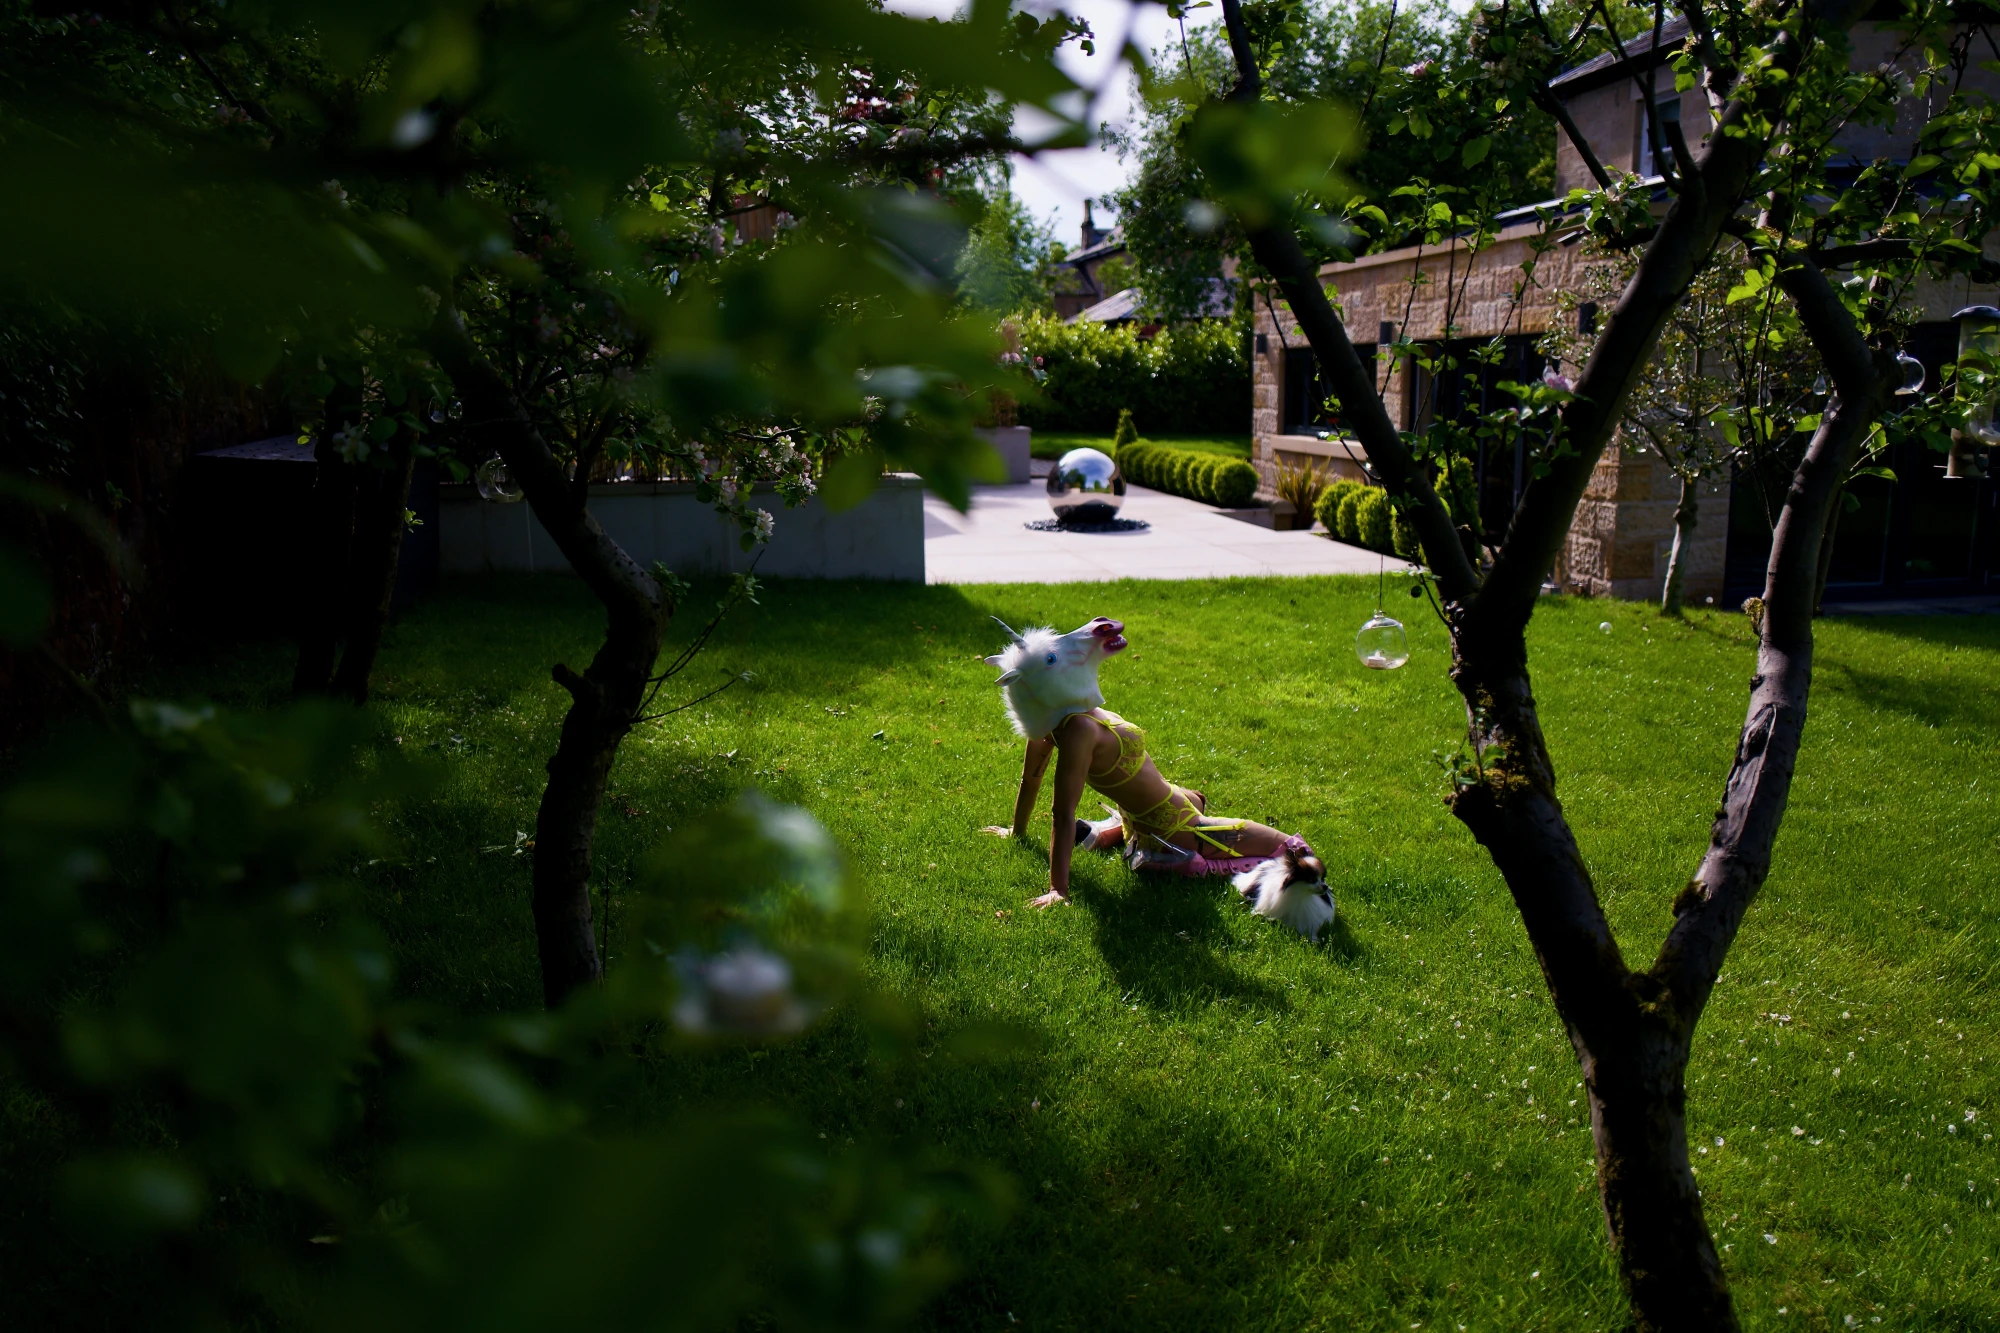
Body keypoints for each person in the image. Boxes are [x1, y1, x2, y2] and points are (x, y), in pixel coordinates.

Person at [979, 615, 1317, 910]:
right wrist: (1058, 889)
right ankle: (1194, 863)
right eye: (1051, 659)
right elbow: (1060, 812)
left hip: (1161, 808)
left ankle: (1112, 835)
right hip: (1174, 826)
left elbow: (1030, 781)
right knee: (1299, 852)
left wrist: (1017, 832)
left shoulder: (1060, 724)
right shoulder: (1076, 730)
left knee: (1196, 796)